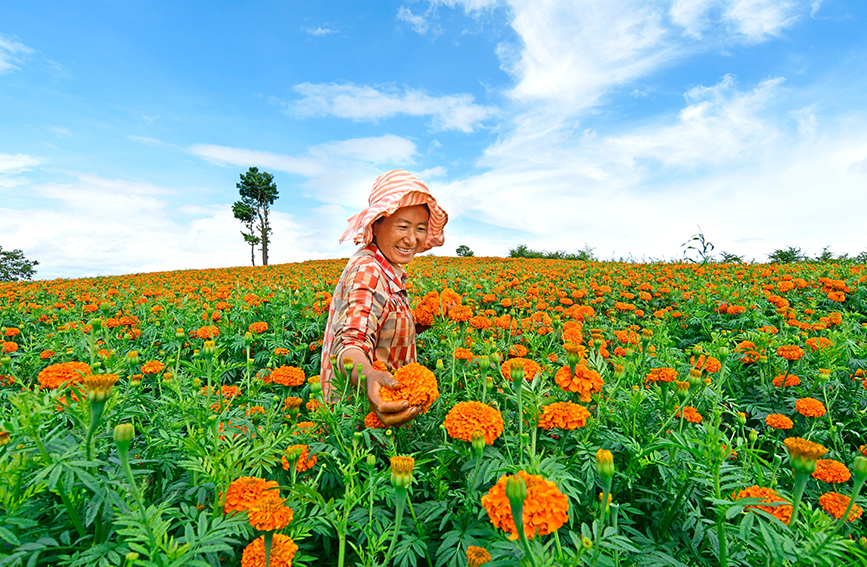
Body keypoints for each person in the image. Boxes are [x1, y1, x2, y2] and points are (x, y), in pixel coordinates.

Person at [320, 169, 448, 426]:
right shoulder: (369, 271)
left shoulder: (388, 269)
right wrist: (368, 375)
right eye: (403, 226)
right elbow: (351, 343)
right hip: (360, 419)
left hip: (386, 411)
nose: (412, 239)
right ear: (376, 224)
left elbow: (380, 328)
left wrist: (430, 318)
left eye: (420, 229)